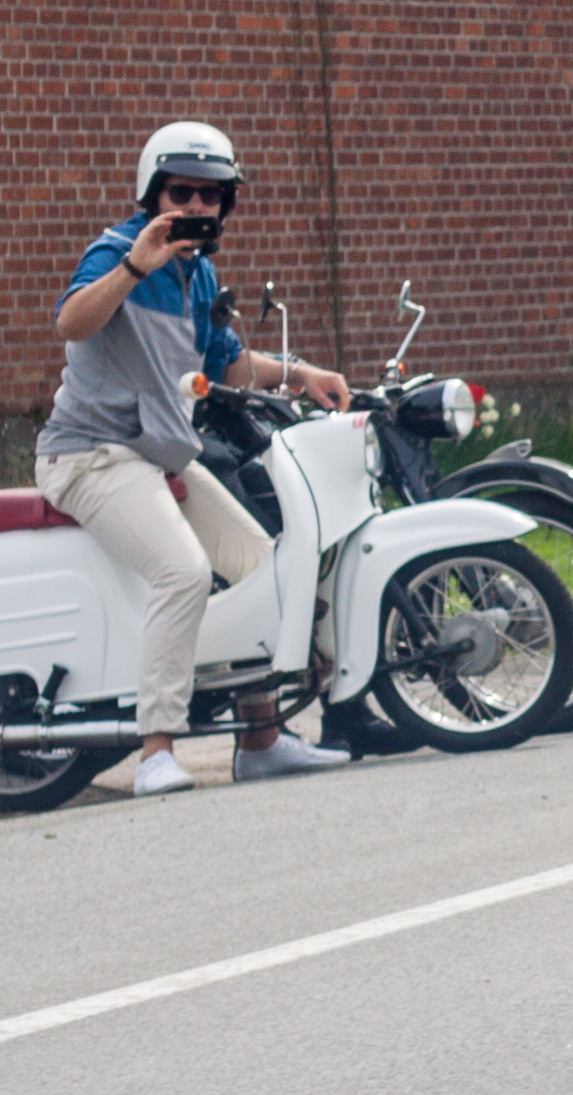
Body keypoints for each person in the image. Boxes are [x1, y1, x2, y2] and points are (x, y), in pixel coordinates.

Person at [39, 123, 353, 798]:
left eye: (212, 196)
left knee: (267, 568)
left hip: (158, 456)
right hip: (91, 456)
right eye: (182, 193)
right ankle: (155, 752)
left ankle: (261, 741)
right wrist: (135, 267)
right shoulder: (119, 250)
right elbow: (70, 322)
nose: (197, 206)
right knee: (182, 572)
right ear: (153, 193)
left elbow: (229, 364)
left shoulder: (199, 273)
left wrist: (303, 373)